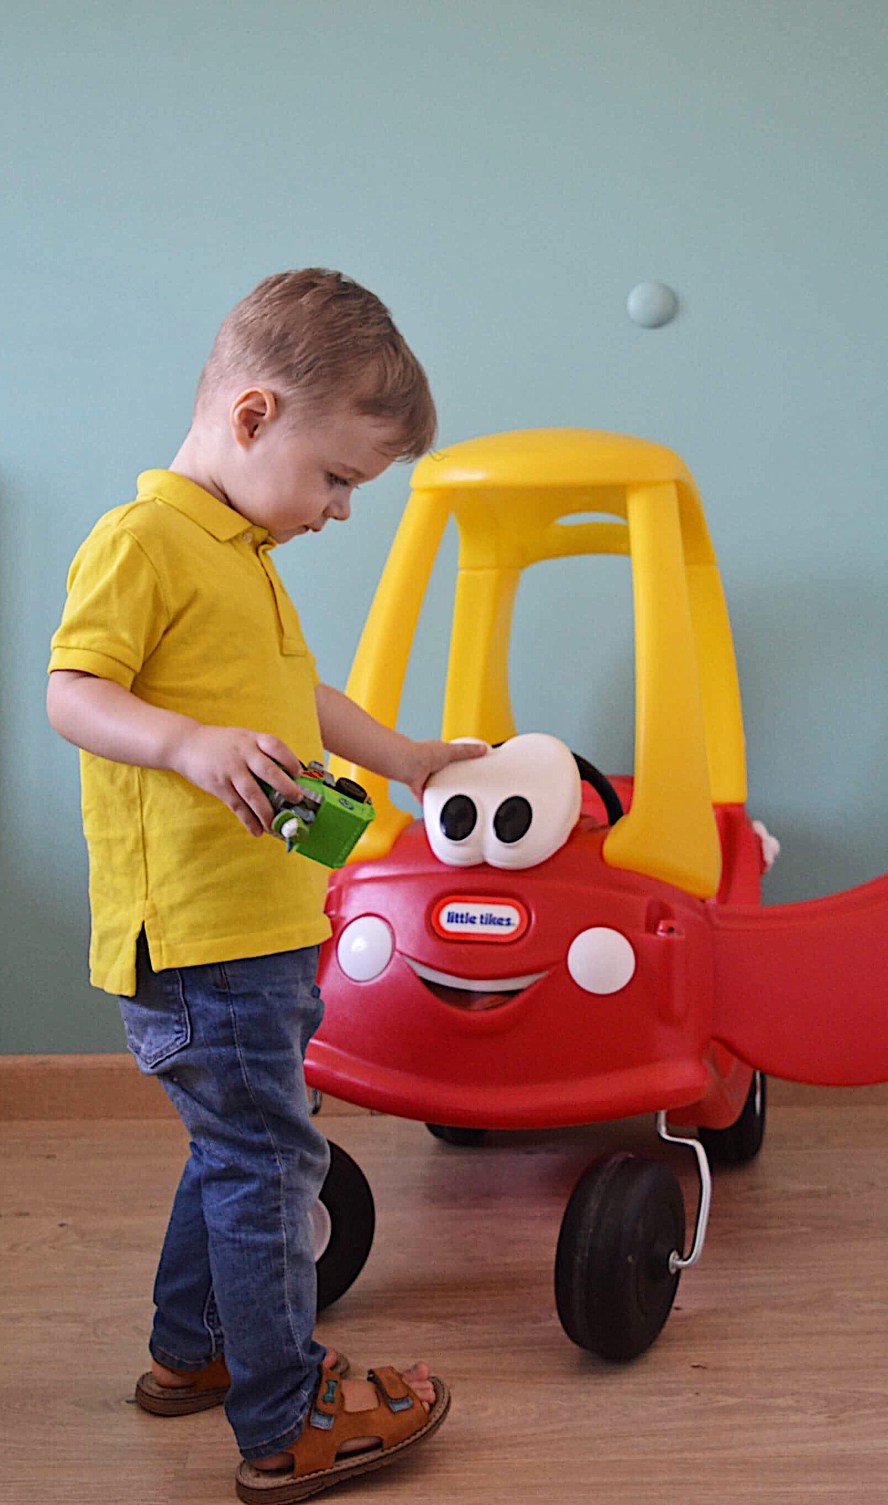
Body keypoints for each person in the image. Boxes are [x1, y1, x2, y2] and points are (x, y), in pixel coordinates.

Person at [46, 268, 482, 1502]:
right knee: (268, 1164)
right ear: (252, 417)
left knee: (237, 1149)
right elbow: (71, 690)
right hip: (204, 939)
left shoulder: (238, 552)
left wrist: (401, 755)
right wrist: (187, 743)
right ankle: (286, 1415)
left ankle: (194, 1348)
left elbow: (300, 700)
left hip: (255, 927)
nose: (342, 509)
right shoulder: (143, 541)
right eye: (338, 478)